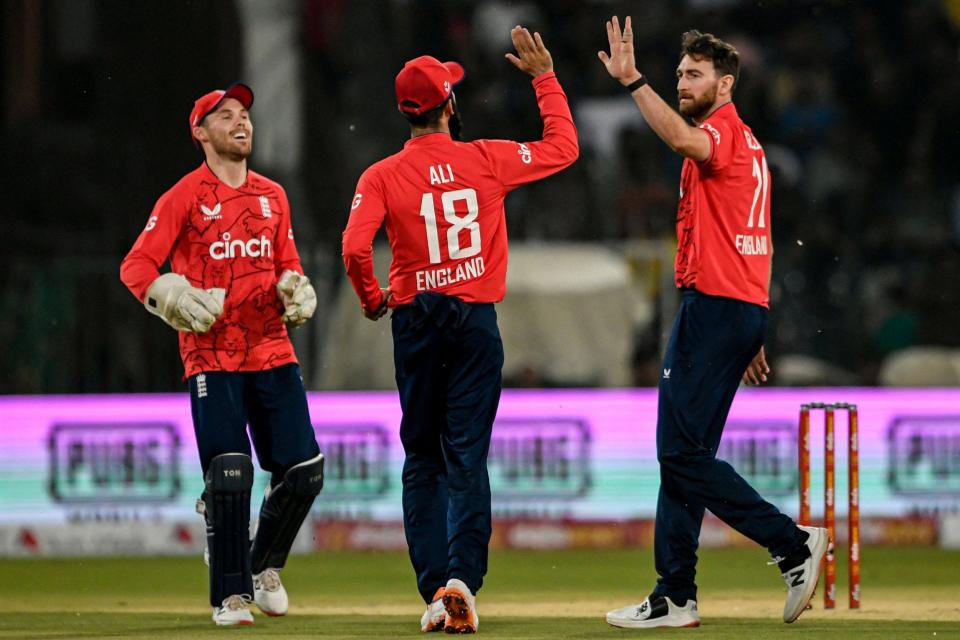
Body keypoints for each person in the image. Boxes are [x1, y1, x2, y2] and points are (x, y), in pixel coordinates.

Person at [341, 27, 578, 634]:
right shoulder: (487, 158)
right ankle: (462, 583)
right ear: (449, 105)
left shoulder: (380, 176)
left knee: (423, 459)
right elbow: (563, 147)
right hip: (474, 321)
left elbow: (352, 247)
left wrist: (374, 299)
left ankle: (432, 591)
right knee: (466, 458)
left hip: (415, 319)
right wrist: (544, 78)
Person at [597, 18, 828, 628]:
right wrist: (754, 322)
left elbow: (681, 141)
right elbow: (764, 240)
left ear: (725, 84)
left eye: (693, 75)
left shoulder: (720, 134)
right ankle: (675, 594)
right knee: (687, 451)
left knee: (677, 453)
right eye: (678, 74)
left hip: (714, 307)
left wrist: (633, 83)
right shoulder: (753, 148)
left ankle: (793, 543)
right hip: (738, 307)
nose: (681, 83)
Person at [120, 83, 324, 626]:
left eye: (245, 115)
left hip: (272, 348)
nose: (241, 122)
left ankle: (262, 567)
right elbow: (136, 266)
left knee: (304, 472)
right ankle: (230, 596)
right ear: (200, 132)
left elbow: (289, 263)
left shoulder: (273, 196)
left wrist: (295, 289)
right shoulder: (183, 196)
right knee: (232, 471)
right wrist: (173, 296)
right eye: (225, 115)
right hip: (212, 354)